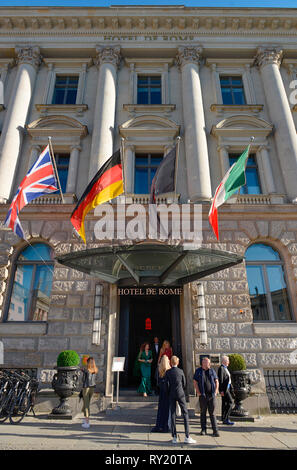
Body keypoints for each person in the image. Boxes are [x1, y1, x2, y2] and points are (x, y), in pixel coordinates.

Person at [165, 355, 196, 444]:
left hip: (171, 394)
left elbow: (166, 385)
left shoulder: (168, 372)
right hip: (180, 394)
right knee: (185, 413)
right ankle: (187, 436)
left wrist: (169, 392)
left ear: (171, 363)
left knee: (173, 414)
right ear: (177, 363)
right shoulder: (181, 371)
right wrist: (181, 390)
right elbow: (184, 383)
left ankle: (174, 437)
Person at [193, 356, 220, 437]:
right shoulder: (198, 371)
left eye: (209, 363)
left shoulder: (212, 371)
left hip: (211, 396)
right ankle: (203, 429)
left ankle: (215, 430)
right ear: (203, 363)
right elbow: (195, 382)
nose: (209, 364)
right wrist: (198, 392)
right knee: (203, 413)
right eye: (207, 363)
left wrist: (215, 392)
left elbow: (216, 381)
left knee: (212, 413)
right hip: (203, 396)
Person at [151, 355, 171, 433]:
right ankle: (165, 426)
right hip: (168, 393)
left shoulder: (159, 371)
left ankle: (159, 425)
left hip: (162, 393)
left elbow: (158, 383)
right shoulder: (170, 371)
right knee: (167, 410)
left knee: (161, 409)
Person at [81, 356, 98, 429]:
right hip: (92, 388)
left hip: (86, 388)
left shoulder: (86, 370)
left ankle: (87, 422)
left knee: (86, 405)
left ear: (88, 363)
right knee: (86, 403)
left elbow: (83, 379)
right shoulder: (95, 370)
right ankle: (85, 419)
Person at [218, 355, 235, 425]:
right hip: (224, 389)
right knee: (231, 402)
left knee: (225, 404)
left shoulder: (225, 368)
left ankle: (224, 418)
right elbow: (220, 380)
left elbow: (228, 379)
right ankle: (226, 418)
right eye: (228, 361)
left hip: (228, 388)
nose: (229, 362)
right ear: (224, 361)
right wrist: (221, 390)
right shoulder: (221, 368)